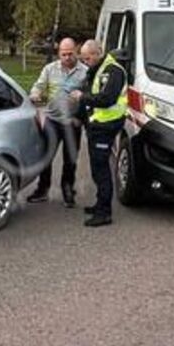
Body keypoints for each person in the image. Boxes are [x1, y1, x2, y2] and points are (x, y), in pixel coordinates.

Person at [72, 38, 128, 227]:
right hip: (97, 125)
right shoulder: (97, 69)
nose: (86, 62)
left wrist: (83, 96)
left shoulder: (113, 71)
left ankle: (104, 213)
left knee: (101, 169)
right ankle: (99, 204)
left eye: (88, 58)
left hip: (107, 125)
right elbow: (90, 91)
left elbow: (107, 99)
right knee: (96, 168)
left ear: (97, 54)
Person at [26, 38, 88, 208]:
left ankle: (68, 189)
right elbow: (38, 86)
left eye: (70, 54)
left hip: (72, 121)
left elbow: (89, 97)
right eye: (63, 54)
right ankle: (42, 189)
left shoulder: (85, 72)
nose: (67, 57)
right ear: (58, 53)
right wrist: (35, 94)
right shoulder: (50, 69)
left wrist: (81, 116)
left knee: (70, 160)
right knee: (46, 157)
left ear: (76, 51)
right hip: (52, 120)